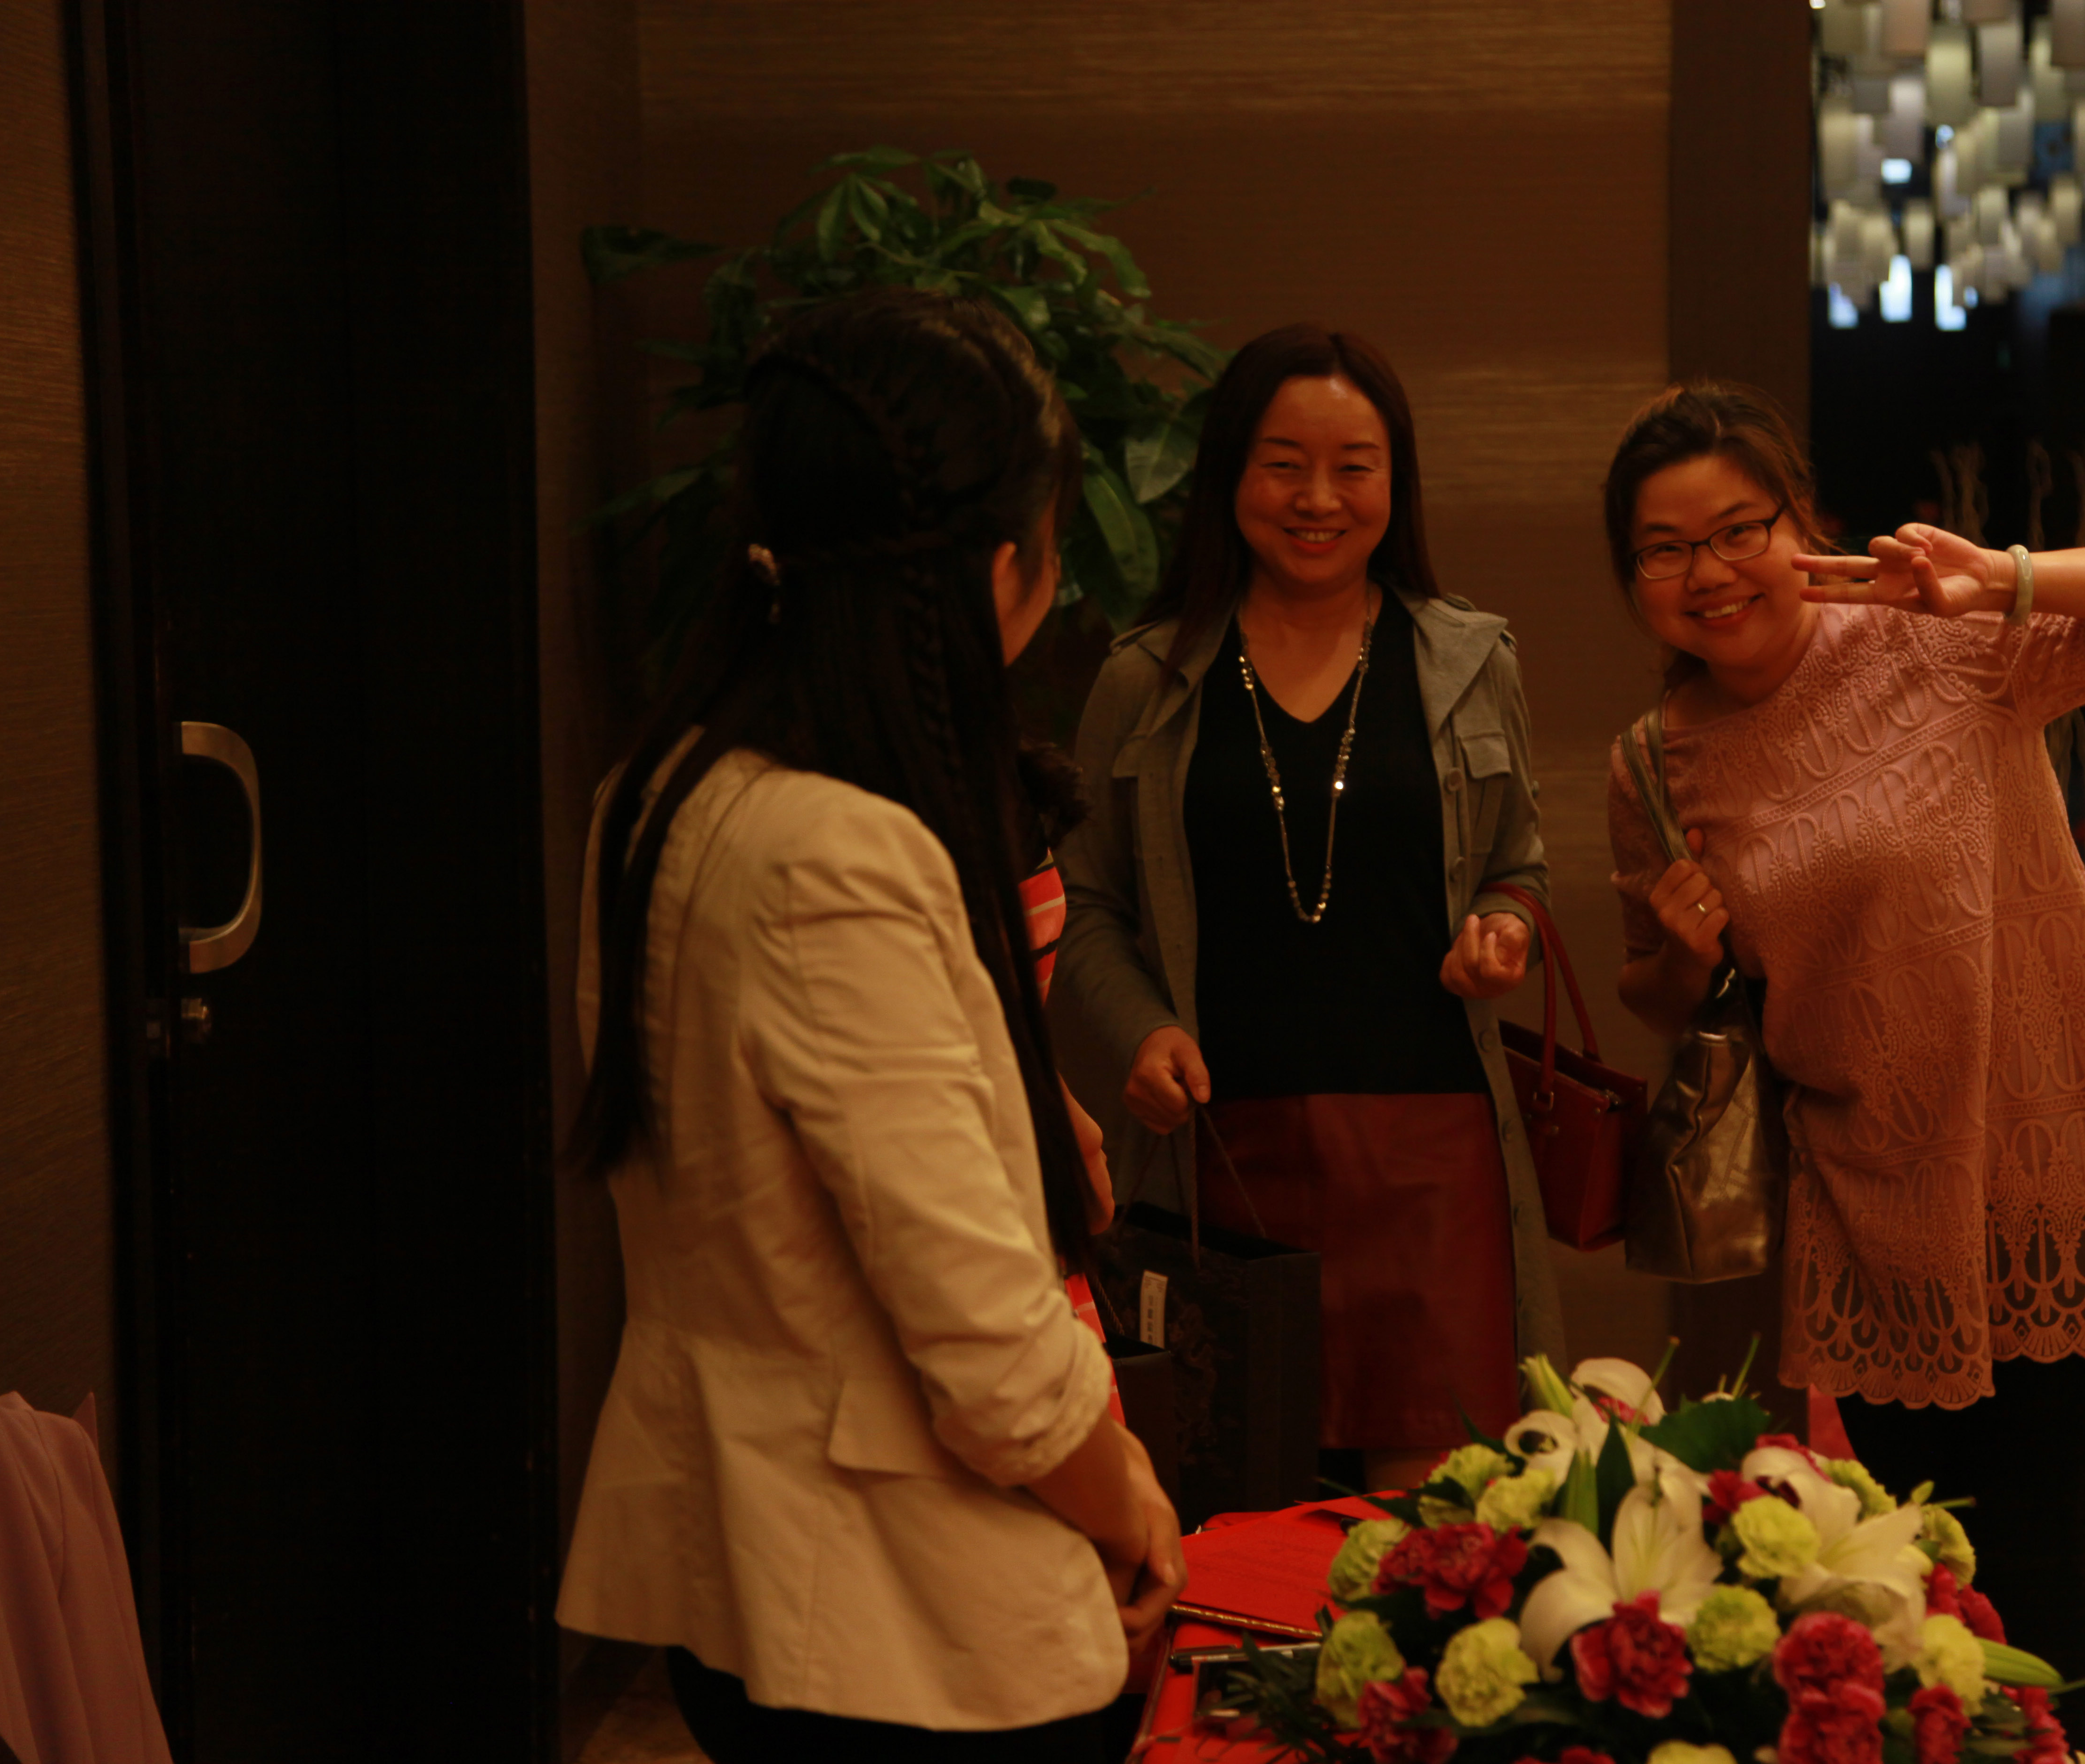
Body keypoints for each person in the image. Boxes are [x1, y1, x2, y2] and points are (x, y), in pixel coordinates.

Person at [557, 289, 1184, 1763]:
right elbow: (990, 1357)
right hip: (903, 1615)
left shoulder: (661, 790)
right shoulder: (839, 853)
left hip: (735, 1561)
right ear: (1000, 570)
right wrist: (1130, 1501)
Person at [1602, 381, 2085, 1758]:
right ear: (1632, 579)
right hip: (1876, 1203)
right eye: (1666, 549)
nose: (1709, 573)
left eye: (1738, 530)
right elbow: (1655, 991)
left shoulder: (1938, 643)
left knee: (2038, 1564)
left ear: (1802, 525)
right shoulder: (1654, 763)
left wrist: (2004, 577)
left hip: (2049, 1166)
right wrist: (1678, 955)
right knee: (1938, 1584)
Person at [1054, 323, 1564, 1490]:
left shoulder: (1468, 660)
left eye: (1354, 467)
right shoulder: (1146, 677)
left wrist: (1507, 928)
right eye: (1284, 465)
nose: (1319, 499)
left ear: (1396, 481)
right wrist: (1140, 1031)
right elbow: (1085, 899)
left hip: (1433, 1160)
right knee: (1237, 1511)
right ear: (1229, 475)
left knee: (1436, 1534)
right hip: (1223, 1156)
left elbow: (1520, 867)